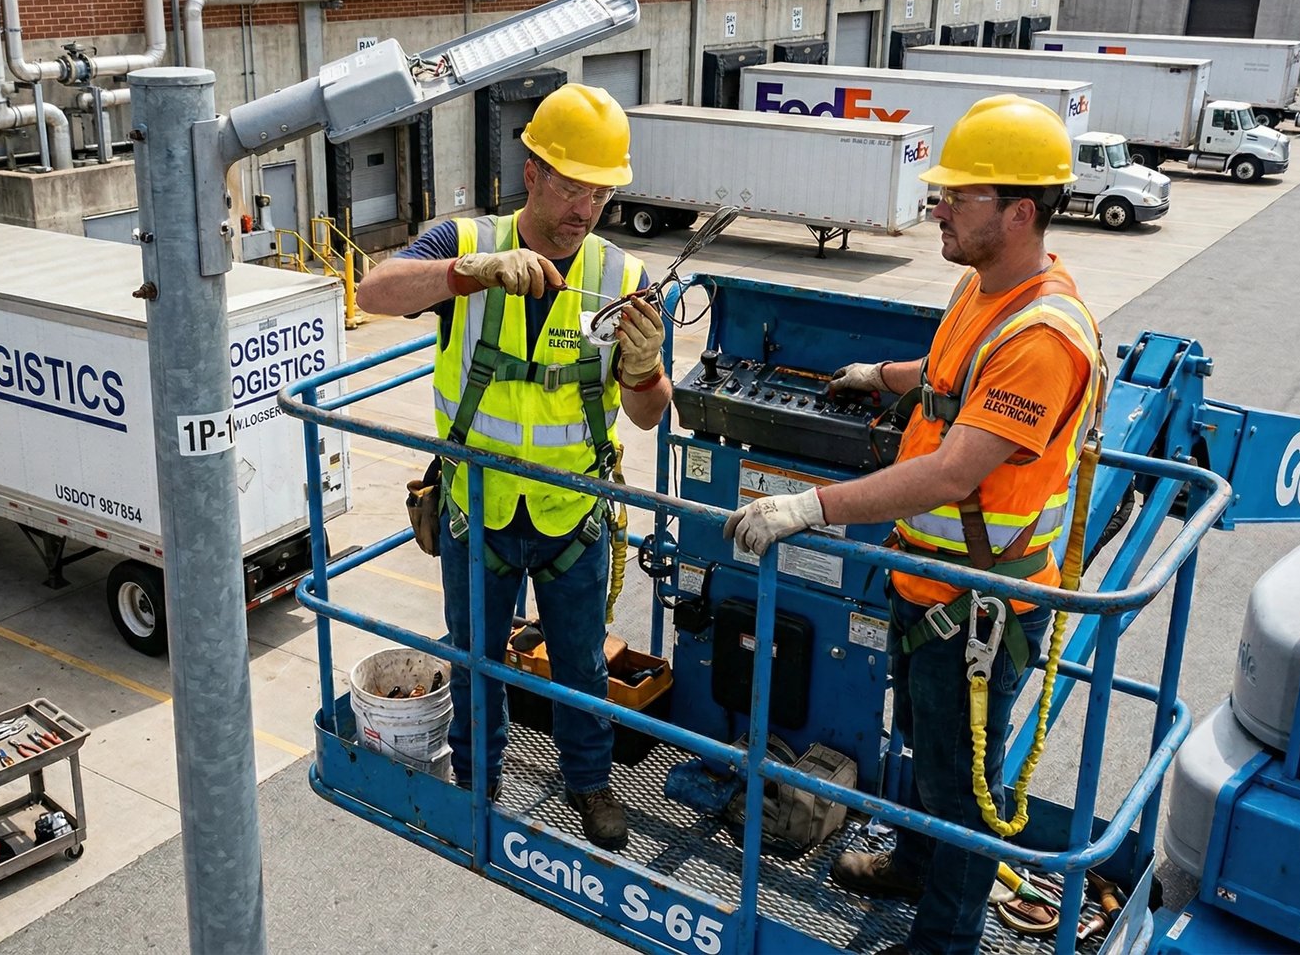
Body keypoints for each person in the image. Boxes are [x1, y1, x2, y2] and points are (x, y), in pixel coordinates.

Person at [722, 95, 1103, 955]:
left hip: (977, 606)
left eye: (955, 196)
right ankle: (914, 860)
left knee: (962, 785)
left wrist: (807, 508)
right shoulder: (984, 287)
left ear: (1019, 212)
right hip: (927, 582)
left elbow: (951, 469)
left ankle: (943, 940)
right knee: (930, 764)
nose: (937, 205)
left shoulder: (1045, 336)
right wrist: (884, 375)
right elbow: (948, 375)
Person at [356, 83, 673, 850]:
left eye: (601, 190)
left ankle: (590, 784)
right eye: (570, 185)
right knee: (475, 662)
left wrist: (644, 369)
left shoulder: (624, 279)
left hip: (571, 515)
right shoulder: (465, 241)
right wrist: (473, 272)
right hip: (479, 508)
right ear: (531, 171)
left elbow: (648, 413)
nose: (585, 206)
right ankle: (479, 781)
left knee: (580, 667)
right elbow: (373, 290)